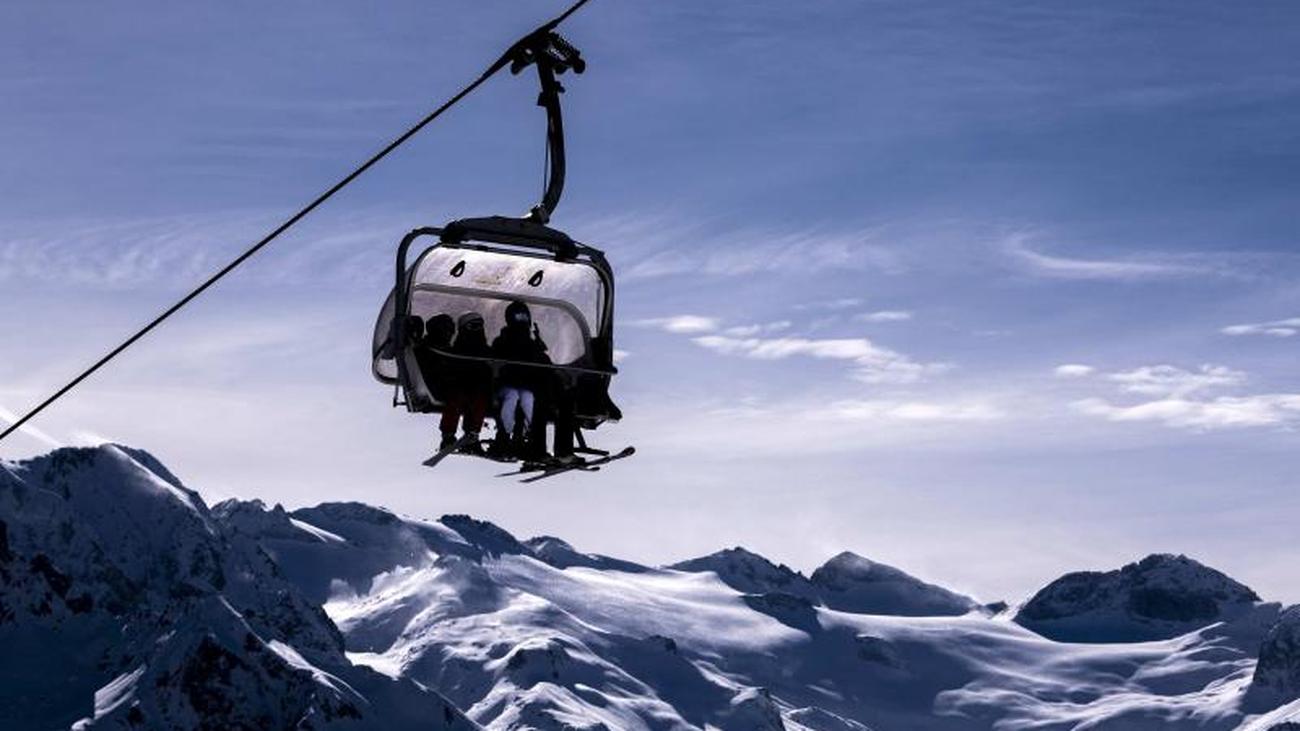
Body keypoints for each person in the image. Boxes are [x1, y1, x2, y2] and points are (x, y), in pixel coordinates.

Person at [491, 300, 551, 459]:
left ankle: (532, 435)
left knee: (528, 397)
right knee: (512, 396)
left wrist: (539, 344)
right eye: (518, 316)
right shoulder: (502, 341)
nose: (521, 320)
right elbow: (494, 360)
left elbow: (543, 363)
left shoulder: (532, 344)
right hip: (506, 385)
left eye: (524, 317)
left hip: (526, 385)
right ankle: (505, 434)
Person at [438, 312, 492, 453]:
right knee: (456, 398)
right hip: (458, 384)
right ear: (464, 329)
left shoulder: (485, 350)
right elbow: (449, 369)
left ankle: (472, 434)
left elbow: (490, 368)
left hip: (478, 386)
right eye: (473, 326)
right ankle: (448, 435)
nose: (477, 330)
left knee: (479, 400)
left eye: (480, 326)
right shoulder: (457, 349)